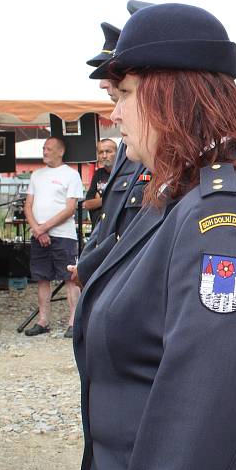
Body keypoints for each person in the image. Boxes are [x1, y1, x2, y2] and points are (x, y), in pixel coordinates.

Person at [75, 3, 236, 470]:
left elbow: (199, 407)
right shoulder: (180, 192)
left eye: (124, 94)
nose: (115, 114)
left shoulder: (223, 217)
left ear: (173, 98)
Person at [73, 20, 151, 287]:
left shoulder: (149, 147)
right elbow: (111, 217)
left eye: (110, 74)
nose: (102, 83)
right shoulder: (127, 146)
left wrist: (93, 264)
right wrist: (88, 262)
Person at [23, 137, 84, 338]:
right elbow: (27, 206)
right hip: (39, 234)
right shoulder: (36, 175)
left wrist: (43, 228)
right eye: (44, 148)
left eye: (48, 148)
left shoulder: (71, 175)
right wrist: (38, 229)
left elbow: (69, 208)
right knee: (42, 278)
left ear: (60, 152)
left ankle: (74, 321)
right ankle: (43, 320)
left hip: (63, 235)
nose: (45, 152)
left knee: (70, 279)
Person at [81, 138, 117, 228]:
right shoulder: (98, 174)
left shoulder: (125, 173)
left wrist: (99, 199)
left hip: (117, 229)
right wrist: (110, 198)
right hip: (98, 229)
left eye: (108, 151)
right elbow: (87, 204)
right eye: (101, 152)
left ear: (118, 152)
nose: (104, 156)